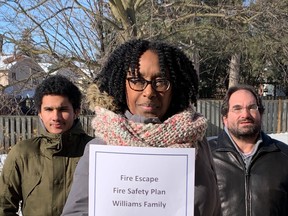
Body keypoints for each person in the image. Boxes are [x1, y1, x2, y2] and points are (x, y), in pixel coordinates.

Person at [61, 39, 221, 216]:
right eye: (137, 80)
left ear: (174, 87)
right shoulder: (100, 150)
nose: (149, 92)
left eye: (160, 81)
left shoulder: (198, 144)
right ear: (122, 86)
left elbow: (214, 209)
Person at [0, 75, 93, 216]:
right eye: (49, 109)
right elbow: (3, 206)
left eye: (63, 109)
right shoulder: (23, 153)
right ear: (40, 113)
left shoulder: (93, 152)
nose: (55, 116)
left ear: (76, 111)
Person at [209, 84, 288, 216]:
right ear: (225, 119)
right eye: (237, 108)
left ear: (261, 114)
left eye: (252, 107)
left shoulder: (284, 155)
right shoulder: (204, 156)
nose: (245, 114)